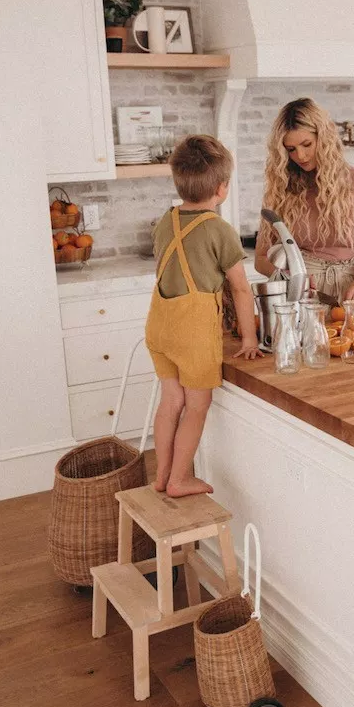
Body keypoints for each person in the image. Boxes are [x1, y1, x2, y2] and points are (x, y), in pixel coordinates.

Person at [146, 134, 261, 498]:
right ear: (222, 188)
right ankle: (180, 479)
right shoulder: (220, 230)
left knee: (171, 402)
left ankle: (162, 475)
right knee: (197, 406)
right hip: (193, 334)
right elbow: (240, 289)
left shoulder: (165, 221)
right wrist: (249, 338)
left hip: (159, 326)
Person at [255, 97, 354, 304]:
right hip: (303, 294)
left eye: (307, 144)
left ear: (324, 138)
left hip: (350, 294)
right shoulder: (280, 188)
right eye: (291, 149)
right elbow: (260, 259)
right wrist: (291, 277)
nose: (300, 156)